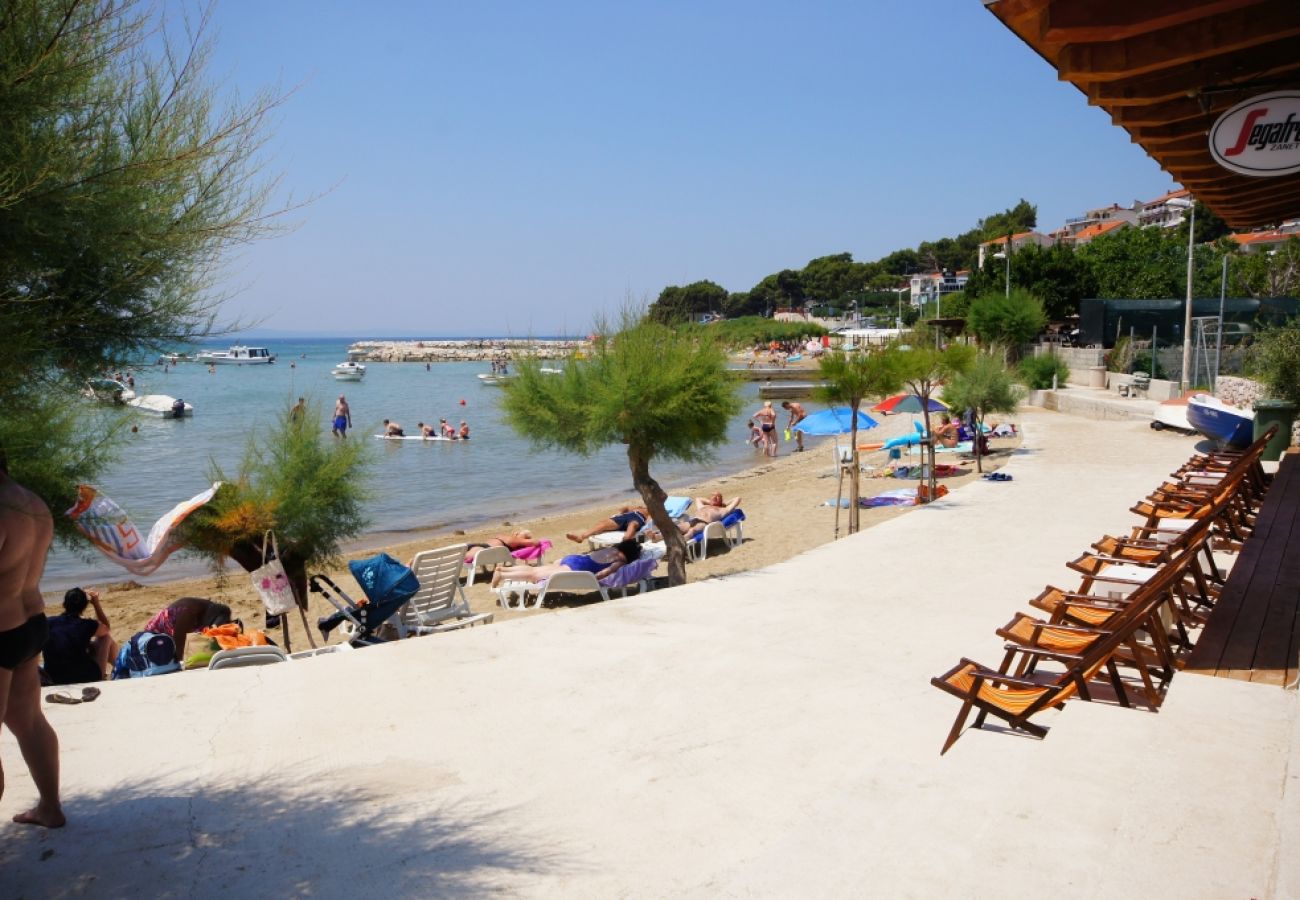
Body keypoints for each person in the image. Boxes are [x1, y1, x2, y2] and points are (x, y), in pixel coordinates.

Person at [0, 456, 64, 828]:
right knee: (29, 722)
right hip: (31, 623)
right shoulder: (33, 503)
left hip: (1, 631)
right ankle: (50, 808)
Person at [489, 540, 640, 589]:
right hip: (577, 567)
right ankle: (502, 574)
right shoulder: (620, 561)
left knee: (536, 570)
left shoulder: (611, 548)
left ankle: (504, 569)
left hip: (574, 559)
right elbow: (604, 573)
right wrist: (594, 579)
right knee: (535, 575)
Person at [43, 588, 117, 686]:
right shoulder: (86, 625)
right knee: (106, 638)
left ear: (64, 604)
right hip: (84, 677)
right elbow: (106, 628)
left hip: (54, 677)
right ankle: (118, 667)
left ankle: (118, 666)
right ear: (84, 606)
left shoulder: (48, 623)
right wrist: (96, 603)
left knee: (85, 645)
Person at [144, 597, 232, 662]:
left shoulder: (207, 610)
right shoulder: (188, 613)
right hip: (153, 641)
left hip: (171, 638)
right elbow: (179, 647)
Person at [566, 505, 648, 544]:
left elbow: (649, 522)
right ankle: (581, 537)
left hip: (638, 519)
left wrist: (646, 527)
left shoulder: (652, 512)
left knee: (633, 525)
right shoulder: (639, 507)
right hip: (623, 517)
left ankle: (625, 541)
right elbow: (625, 508)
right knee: (603, 524)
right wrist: (619, 513)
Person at [467, 529, 542, 551]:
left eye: (519, 533)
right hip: (484, 549)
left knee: (460, 552)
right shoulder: (513, 539)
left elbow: (536, 542)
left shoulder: (513, 539)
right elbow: (536, 542)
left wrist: (523, 540)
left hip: (482, 548)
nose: (516, 533)